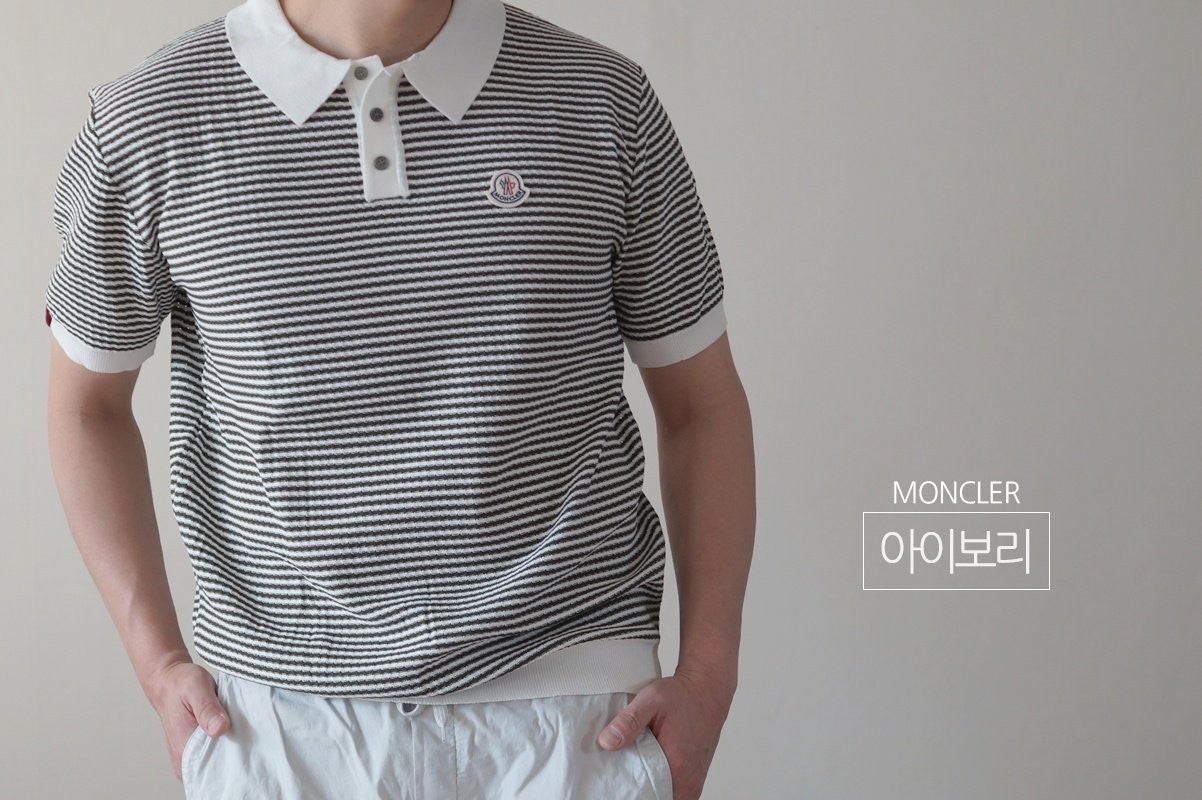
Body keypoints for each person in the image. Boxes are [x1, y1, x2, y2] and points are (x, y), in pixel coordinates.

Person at [43, 0, 755, 796]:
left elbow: (701, 405)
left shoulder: (601, 100)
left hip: (577, 714)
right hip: (280, 724)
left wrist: (708, 678)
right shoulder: (149, 121)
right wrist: (158, 664)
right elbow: (86, 406)